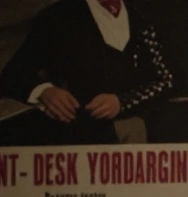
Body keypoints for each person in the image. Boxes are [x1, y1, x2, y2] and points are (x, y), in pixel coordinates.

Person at [0, 0, 174, 145]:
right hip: (73, 139)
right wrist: (44, 91)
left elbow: (166, 81)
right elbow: (11, 76)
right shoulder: (57, 17)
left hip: (134, 137)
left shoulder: (140, 17)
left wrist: (122, 102)